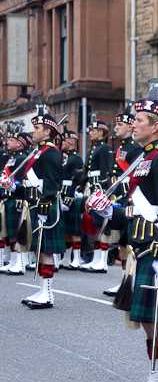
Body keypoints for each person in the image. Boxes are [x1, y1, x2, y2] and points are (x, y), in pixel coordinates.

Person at [87, 79, 158, 382]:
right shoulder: (144, 157)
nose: (133, 124)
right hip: (140, 246)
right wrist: (107, 210)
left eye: (139, 120)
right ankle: (153, 381)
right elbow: (137, 209)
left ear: (156, 126)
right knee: (148, 320)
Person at [2, 106, 65, 308]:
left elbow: (52, 184)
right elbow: (30, 185)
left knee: (45, 250)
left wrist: (45, 209)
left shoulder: (51, 152)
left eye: (37, 127)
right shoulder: (38, 152)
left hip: (43, 207)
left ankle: (47, 294)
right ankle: (42, 291)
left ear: (48, 131)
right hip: (33, 205)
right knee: (38, 250)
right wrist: (13, 187)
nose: (33, 131)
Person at [103, 102, 144, 295]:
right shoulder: (121, 148)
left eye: (120, 125)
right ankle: (125, 282)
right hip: (119, 197)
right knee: (122, 243)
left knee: (130, 243)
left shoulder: (135, 148)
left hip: (129, 199)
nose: (116, 128)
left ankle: (131, 281)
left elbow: (134, 177)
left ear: (130, 127)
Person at [81, 116, 112, 272]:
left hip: (99, 189)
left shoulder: (104, 148)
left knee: (101, 225)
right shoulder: (94, 148)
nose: (90, 133)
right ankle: (96, 258)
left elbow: (106, 172)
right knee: (95, 225)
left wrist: (102, 192)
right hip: (92, 187)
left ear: (101, 133)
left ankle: (103, 260)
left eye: (93, 130)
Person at [0, 130, 30, 274]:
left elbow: (23, 181)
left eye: (10, 140)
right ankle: (13, 261)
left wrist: (12, 185)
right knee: (10, 232)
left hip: (17, 198)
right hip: (8, 196)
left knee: (17, 232)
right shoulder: (13, 158)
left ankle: (20, 263)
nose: (7, 142)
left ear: (19, 143)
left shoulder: (22, 158)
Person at [59, 126, 85, 270]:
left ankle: (77, 259)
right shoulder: (65, 157)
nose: (62, 143)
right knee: (66, 229)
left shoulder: (76, 159)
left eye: (64, 141)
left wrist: (69, 199)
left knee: (75, 231)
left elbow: (77, 180)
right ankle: (67, 258)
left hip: (72, 196)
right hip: (63, 193)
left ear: (71, 142)